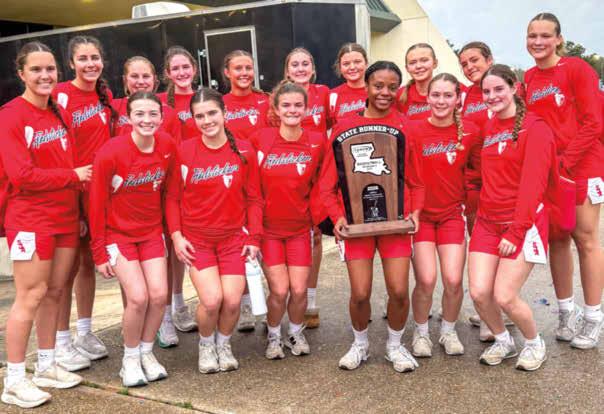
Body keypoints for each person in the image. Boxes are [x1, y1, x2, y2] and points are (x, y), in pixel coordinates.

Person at [321, 61, 425, 372]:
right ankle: (360, 344)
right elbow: (327, 185)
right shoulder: (343, 127)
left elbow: (417, 181)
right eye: (378, 85)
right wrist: (337, 217)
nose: (385, 92)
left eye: (392, 87)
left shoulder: (406, 126)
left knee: (399, 291)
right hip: (356, 224)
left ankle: (395, 345)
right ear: (366, 87)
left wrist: (415, 212)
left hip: (395, 222)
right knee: (360, 292)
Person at [0, 41, 88, 408]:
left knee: (55, 291)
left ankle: (47, 365)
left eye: (50, 68)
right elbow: (21, 175)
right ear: (21, 73)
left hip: (65, 216)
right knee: (31, 295)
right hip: (30, 219)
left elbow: (65, 161)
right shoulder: (10, 115)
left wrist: (79, 211)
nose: (45, 75)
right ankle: (13, 380)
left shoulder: (57, 111)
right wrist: (72, 176)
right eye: (36, 69)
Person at [166, 88, 263, 373]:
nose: (207, 120)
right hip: (198, 240)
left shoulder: (244, 150)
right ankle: (206, 345)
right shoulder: (184, 151)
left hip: (233, 239)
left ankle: (224, 344)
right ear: (193, 119)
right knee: (211, 300)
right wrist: (176, 236)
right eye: (200, 116)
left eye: (212, 113)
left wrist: (254, 237)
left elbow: (254, 198)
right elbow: (172, 198)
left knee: (232, 301)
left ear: (224, 113)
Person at [469, 64, 559, 371]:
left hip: (522, 223)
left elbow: (534, 185)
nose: (492, 96)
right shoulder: (489, 126)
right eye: (486, 91)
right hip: (487, 222)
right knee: (479, 293)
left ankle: (534, 343)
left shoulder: (535, 128)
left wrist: (516, 231)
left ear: (514, 88)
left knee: (505, 296)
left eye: (499, 89)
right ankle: (503, 340)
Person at [525, 13, 603, 349]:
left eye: (545, 35)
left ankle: (593, 317)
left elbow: (594, 122)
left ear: (559, 39)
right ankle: (565, 313)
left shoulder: (577, 69)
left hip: (583, 166)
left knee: (585, 239)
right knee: (556, 240)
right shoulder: (529, 77)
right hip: (551, 171)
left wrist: (564, 162)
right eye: (532, 36)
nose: (538, 42)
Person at [90, 91, 173, 386]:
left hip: (151, 233)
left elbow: (170, 193)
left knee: (159, 296)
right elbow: (96, 203)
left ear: (161, 117)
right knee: (138, 297)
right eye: (139, 114)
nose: (146, 120)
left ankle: (147, 353)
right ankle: (129, 359)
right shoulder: (111, 152)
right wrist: (99, 252)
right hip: (118, 235)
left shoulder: (167, 146)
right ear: (128, 117)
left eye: (153, 114)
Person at [407, 73, 481, 358]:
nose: (441, 101)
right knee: (426, 280)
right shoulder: (413, 129)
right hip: (421, 217)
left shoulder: (470, 131)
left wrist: (466, 196)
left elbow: (477, 171)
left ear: (458, 99)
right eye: (435, 95)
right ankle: (421, 333)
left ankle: (448, 331)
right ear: (427, 97)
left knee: (452, 279)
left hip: (451, 215)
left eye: (447, 95)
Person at [54, 35, 115, 371]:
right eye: (83, 59)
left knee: (88, 264)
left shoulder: (104, 95)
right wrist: (75, 202)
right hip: (72, 192)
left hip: (99, 193)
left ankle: (85, 332)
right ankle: (61, 342)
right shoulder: (60, 95)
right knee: (66, 270)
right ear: (71, 63)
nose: (90, 64)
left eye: (95, 58)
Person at [112, 56, 182, 349]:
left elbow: (174, 157)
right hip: (123, 208)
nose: (140, 81)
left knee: (161, 268)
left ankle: (163, 319)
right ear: (125, 80)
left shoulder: (168, 114)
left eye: (146, 76)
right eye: (134, 76)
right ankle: (132, 323)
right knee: (131, 280)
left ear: (155, 80)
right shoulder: (114, 111)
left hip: (157, 201)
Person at [251, 81, 325, 358]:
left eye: (298, 105)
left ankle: (294, 332)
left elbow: (323, 183)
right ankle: (273, 335)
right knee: (280, 290)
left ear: (306, 108)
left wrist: (318, 218)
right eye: (286, 105)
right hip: (269, 229)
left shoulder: (317, 141)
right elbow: (250, 187)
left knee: (299, 289)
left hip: (300, 229)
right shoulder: (261, 139)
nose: (292, 110)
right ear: (276, 108)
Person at [458, 41, 516, 339]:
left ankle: (502, 309)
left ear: (489, 59)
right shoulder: (467, 95)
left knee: (506, 248)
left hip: (503, 182)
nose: (469, 67)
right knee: (481, 244)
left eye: (474, 60)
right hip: (476, 181)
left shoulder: (506, 90)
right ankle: (488, 310)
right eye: (464, 64)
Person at [221, 49, 270, 332]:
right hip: (235, 183)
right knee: (241, 240)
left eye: (248, 68)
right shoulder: (221, 104)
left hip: (267, 179)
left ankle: (269, 298)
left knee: (265, 238)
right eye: (238, 68)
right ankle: (246, 301)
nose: (244, 73)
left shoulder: (266, 101)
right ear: (226, 73)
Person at [282, 47, 330, 329]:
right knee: (288, 236)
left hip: (317, 171)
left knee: (315, 236)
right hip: (289, 173)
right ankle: (289, 294)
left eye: (305, 64)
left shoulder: (324, 93)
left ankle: (309, 298)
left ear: (313, 68)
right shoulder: (279, 96)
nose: (300, 69)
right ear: (287, 70)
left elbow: (334, 128)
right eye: (295, 64)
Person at [158, 46, 199, 333]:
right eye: (176, 68)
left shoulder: (205, 98)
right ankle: (167, 312)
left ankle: (179, 304)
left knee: (181, 248)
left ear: (194, 69)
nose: (182, 72)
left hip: (196, 183)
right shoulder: (161, 103)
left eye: (186, 67)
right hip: (165, 182)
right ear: (167, 74)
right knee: (164, 248)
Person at [329, 43, 368, 125]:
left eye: (357, 62)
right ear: (340, 67)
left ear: (366, 63)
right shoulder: (332, 97)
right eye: (346, 64)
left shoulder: (377, 92)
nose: (352, 67)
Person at [396, 43, 437, 120]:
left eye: (424, 60)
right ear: (407, 68)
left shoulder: (452, 89)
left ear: (435, 63)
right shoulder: (399, 95)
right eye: (412, 63)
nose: (418, 66)